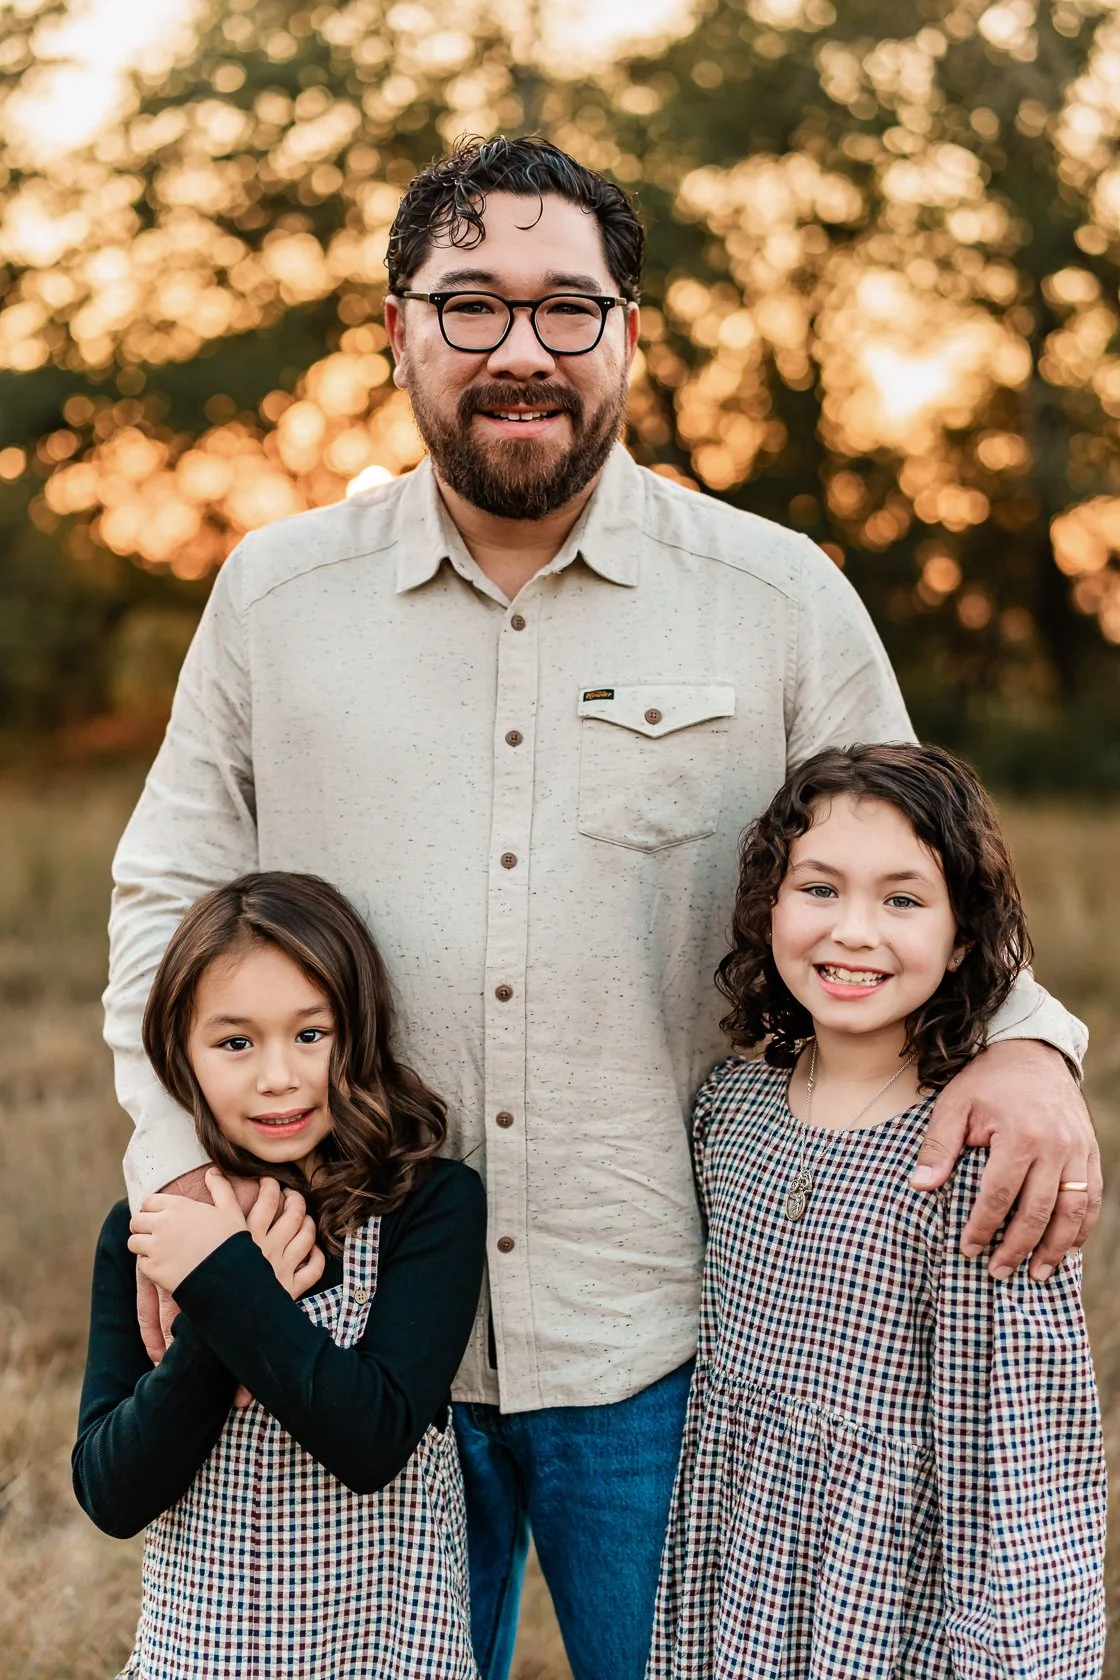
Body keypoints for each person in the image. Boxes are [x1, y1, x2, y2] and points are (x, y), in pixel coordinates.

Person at [102, 137, 1099, 1680]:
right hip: (356, 1327)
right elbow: (166, 893)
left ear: (631, 330)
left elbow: (920, 862)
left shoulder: (776, 596)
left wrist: (1032, 1049)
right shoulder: (275, 596)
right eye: (471, 306)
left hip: (670, 1338)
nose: (521, 351)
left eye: (570, 308)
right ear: (396, 331)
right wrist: (182, 1193)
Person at [648, 743, 1107, 1680]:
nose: (854, 932)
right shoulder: (727, 1111)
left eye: (902, 900)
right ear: (767, 909)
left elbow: (1021, 1468)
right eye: (818, 889)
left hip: (898, 1598)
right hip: (736, 1578)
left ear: (965, 938)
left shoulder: (979, 1157)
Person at [76, 873, 486, 1679]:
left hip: (388, 1657)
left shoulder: (428, 1208)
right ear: (179, 1056)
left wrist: (232, 1284)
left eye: (311, 1035)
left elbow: (369, 1440)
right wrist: (217, 1296)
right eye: (235, 1043)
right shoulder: (149, 1231)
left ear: (358, 1033)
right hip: (199, 1662)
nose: (278, 1077)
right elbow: (112, 1493)